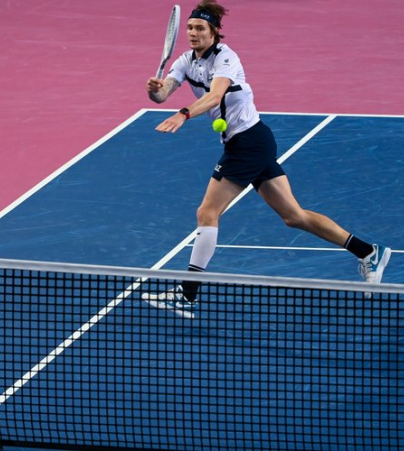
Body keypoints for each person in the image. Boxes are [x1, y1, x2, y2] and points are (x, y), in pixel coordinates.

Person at [142, 0, 390, 318]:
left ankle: (187, 294)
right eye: (190, 27)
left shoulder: (226, 59)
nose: (192, 33)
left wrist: (184, 113)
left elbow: (215, 95)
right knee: (293, 216)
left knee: (207, 212)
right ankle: (368, 251)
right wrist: (155, 90)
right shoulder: (185, 61)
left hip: (249, 142)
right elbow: (162, 95)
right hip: (249, 143)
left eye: (200, 28)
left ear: (214, 32)